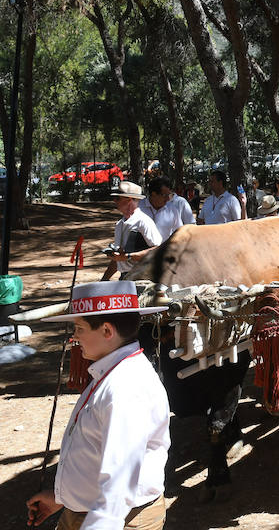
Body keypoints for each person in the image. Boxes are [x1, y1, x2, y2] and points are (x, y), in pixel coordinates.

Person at [26, 281, 170, 530]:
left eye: (80, 328)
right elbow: (95, 452)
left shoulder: (125, 387)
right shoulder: (110, 373)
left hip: (118, 519)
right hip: (91, 512)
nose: (75, 336)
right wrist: (64, 498)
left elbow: (120, 478)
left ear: (106, 331)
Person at [101, 182, 163, 281]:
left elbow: (157, 251)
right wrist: (104, 280)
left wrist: (128, 257)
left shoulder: (143, 221)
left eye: (118, 198)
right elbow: (118, 260)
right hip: (125, 278)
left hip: (144, 278)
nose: (114, 201)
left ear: (129, 200)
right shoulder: (120, 224)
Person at [139, 176, 195, 241]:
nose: (168, 199)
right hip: (142, 250)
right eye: (164, 195)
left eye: (168, 195)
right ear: (153, 194)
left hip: (165, 250)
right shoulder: (138, 208)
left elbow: (179, 232)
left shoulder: (172, 210)